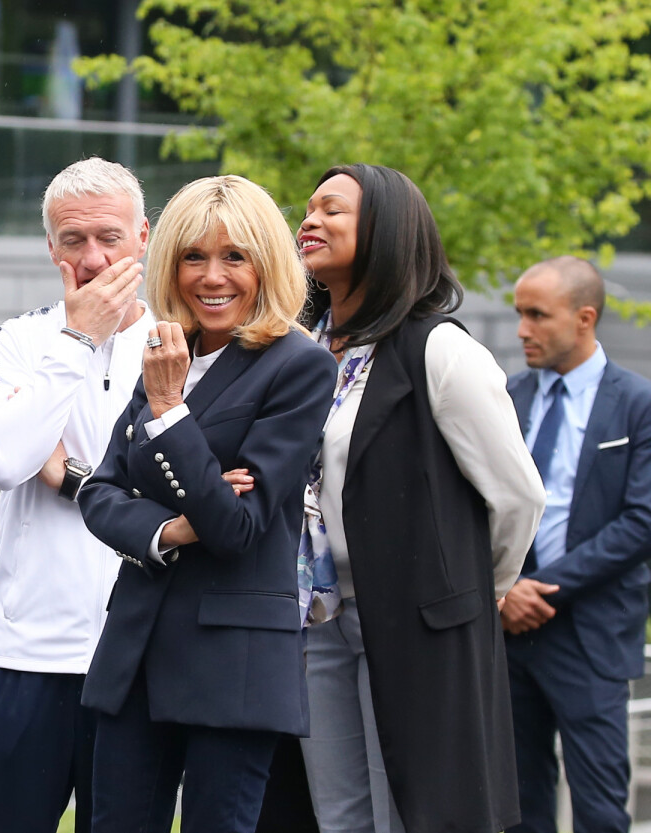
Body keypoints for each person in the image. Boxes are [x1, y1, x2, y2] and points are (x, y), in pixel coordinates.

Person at [78, 174, 338, 833]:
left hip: (236, 665)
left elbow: (237, 526)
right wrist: (170, 528)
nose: (212, 276)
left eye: (235, 256)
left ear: (266, 264)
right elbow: (101, 492)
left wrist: (168, 413)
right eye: (194, 256)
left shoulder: (298, 365)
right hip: (136, 651)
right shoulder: (171, 351)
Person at [294, 163, 544, 833]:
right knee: (338, 816)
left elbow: (517, 495)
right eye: (308, 209)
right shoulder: (302, 352)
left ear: (387, 228)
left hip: (415, 619)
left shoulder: (438, 350)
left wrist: (468, 589)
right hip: (315, 618)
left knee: (412, 814)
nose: (308, 220)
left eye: (332, 210)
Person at [0, 157, 153, 833]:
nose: (94, 257)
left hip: (137, 658)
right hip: (27, 654)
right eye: (74, 240)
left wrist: (73, 472)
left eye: (109, 236)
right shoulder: (22, 339)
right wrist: (80, 338)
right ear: (50, 246)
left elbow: (178, 488)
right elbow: (7, 458)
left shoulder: (175, 343)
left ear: (144, 236)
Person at [504, 256, 651, 833]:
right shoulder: (506, 395)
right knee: (516, 805)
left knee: (599, 809)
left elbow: (642, 521)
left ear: (584, 318)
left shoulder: (637, 403)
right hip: (507, 628)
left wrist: (543, 589)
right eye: (518, 314)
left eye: (537, 316)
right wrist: (506, 589)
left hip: (590, 630)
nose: (522, 330)